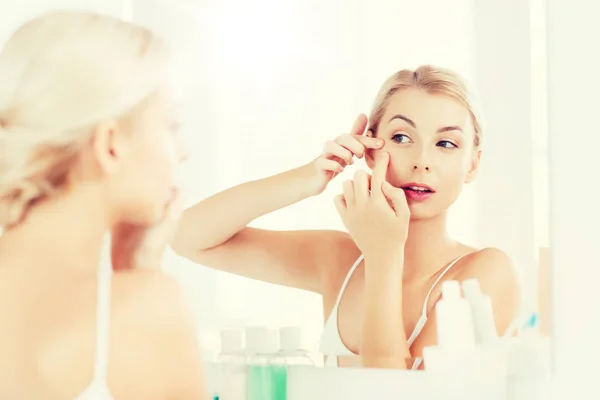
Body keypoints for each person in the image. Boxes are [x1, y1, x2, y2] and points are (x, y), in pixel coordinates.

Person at [172, 65, 522, 370]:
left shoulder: (484, 274)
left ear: (473, 163)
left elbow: (393, 394)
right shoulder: (341, 260)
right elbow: (185, 237)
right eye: (401, 137)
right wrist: (306, 179)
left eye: (446, 144)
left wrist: (384, 258)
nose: (421, 161)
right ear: (369, 148)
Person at [0, 10, 206, 399]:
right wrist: (140, 278)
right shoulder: (145, 311)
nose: (182, 153)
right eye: (171, 126)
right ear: (110, 144)